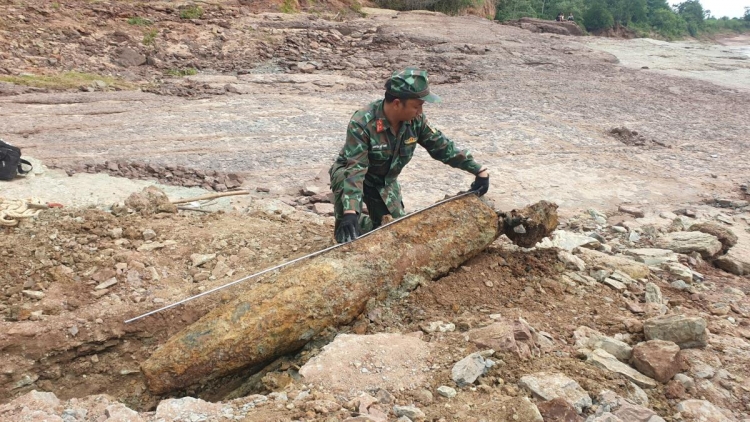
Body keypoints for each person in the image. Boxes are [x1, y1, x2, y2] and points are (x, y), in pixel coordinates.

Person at [328, 68, 490, 243]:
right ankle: (353, 221)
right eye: (416, 106)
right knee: (347, 235)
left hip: (383, 181)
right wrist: (350, 212)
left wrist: (479, 170)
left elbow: (442, 147)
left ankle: (367, 225)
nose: (420, 111)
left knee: (395, 232)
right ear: (397, 103)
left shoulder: (415, 121)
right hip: (350, 176)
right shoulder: (362, 123)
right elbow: (355, 168)